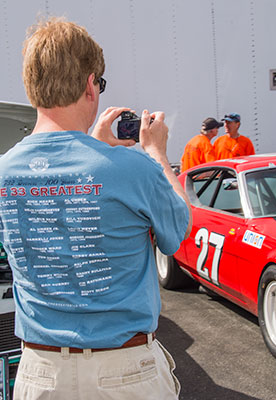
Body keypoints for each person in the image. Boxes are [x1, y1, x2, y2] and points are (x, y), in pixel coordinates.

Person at [0, 17, 192, 399]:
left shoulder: (4, 171)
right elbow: (178, 228)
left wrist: (93, 145)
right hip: (124, 373)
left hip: (39, 374)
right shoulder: (132, 169)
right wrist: (156, 153)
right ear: (91, 84)